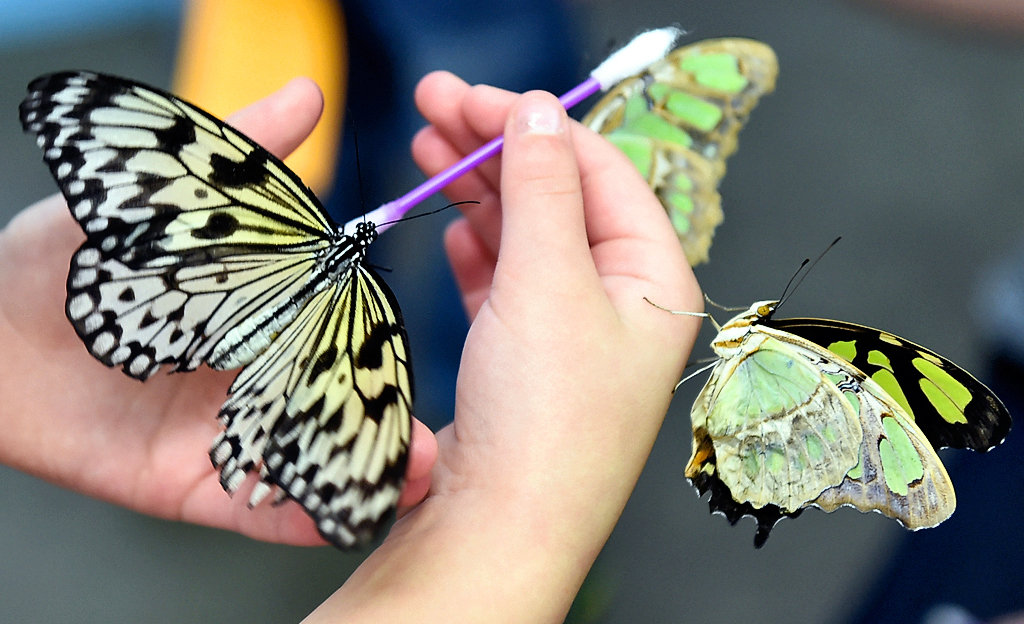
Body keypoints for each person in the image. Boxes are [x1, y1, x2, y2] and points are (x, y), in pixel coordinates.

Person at [0, 70, 701, 621]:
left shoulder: (290, 215)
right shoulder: (371, 316)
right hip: (298, 331)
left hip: (197, 288)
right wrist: (507, 503)